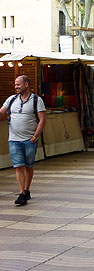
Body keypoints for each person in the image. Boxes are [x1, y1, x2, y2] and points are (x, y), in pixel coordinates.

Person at [0, 75, 46, 206]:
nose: (16, 87)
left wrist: (35, 137)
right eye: (15, 84)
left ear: (26, 85)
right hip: (14, 139)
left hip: (29, 139)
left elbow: (42, 120)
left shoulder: (37, 100)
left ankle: (27, 189)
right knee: (18, 166)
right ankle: (22, 193)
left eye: (18, 84)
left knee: (28, 166)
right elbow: (1, 112)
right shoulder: (11, 99)